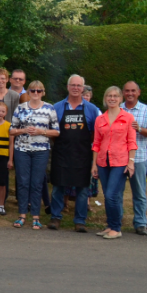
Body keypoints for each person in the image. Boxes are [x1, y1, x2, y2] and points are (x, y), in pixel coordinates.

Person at [48, 75, 101, 232]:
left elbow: (94, 134)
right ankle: (55, 217)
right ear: (68, 87)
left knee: (82, 189)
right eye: (73, 85)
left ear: (83, 88)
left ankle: (80, 220)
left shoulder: (92, 109)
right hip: (61, 153)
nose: (76, 88)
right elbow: (51, 130)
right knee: (58, 186)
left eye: (79, 85)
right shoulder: (56, 107)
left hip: (82, 154)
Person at [10, 81, 59, 229]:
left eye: (39, 91)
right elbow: (12, 130)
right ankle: (22, 214)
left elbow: (56, 131)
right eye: (33, 90)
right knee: (23, 182)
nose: (36, 93)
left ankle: (36, 216)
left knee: (37, 183)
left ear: (43, 92)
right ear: (28, 92)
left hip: (41, 150)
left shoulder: (49, 108)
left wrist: (41, 131)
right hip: (22, 149)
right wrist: (24, 130)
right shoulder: (20, 108)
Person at [91, 86, 138, 239]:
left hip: (120, 162)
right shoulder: (100, 119)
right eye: (109, 96)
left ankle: (116, 228)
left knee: (112, 194)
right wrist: (94, 164)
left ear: (120, 99)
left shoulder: (128, 118)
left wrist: (131, 162)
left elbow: (132, 142)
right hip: (103, 162)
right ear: (105, 98)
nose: (112, 98)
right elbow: (96, 143)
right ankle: (110, 225)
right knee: (107, 195)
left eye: (115, 96)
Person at [121, 81, 147, 235]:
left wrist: (140, 129)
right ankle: (116, 222)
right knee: (116, 193)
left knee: (139, 192)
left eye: (133, 91)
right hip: (119, 157)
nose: (130, 94)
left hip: (139, 158)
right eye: (127, 91)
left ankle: (140, 223)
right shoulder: (117, 108)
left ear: (139, 92)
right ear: (123, 92)